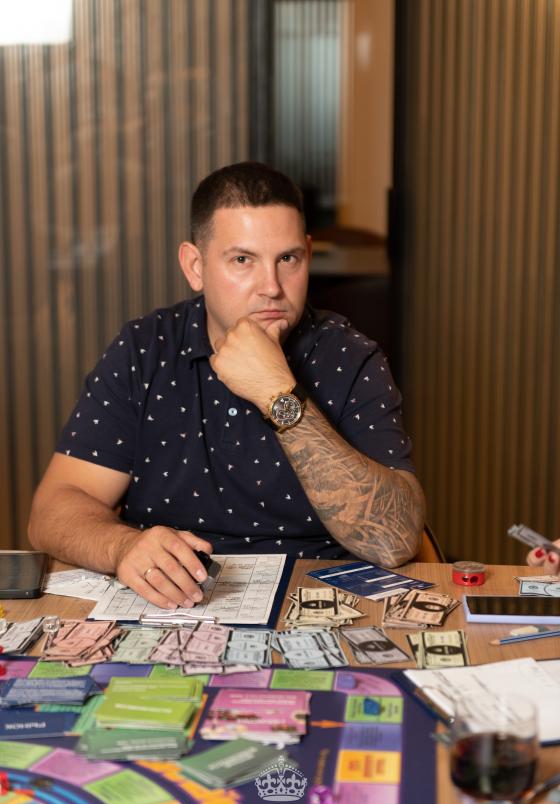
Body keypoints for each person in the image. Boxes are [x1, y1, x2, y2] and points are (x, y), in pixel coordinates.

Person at [28, 161, 425, 610]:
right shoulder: (143, 349)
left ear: (308, 255)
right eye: (242, 260)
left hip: (318, 596)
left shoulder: (350, 356)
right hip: (171, 599)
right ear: (195, 266)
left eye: (288, 259)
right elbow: (52, 511)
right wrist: (122, 547)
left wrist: (279, 394)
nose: (271, 287)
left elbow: (395, 539)